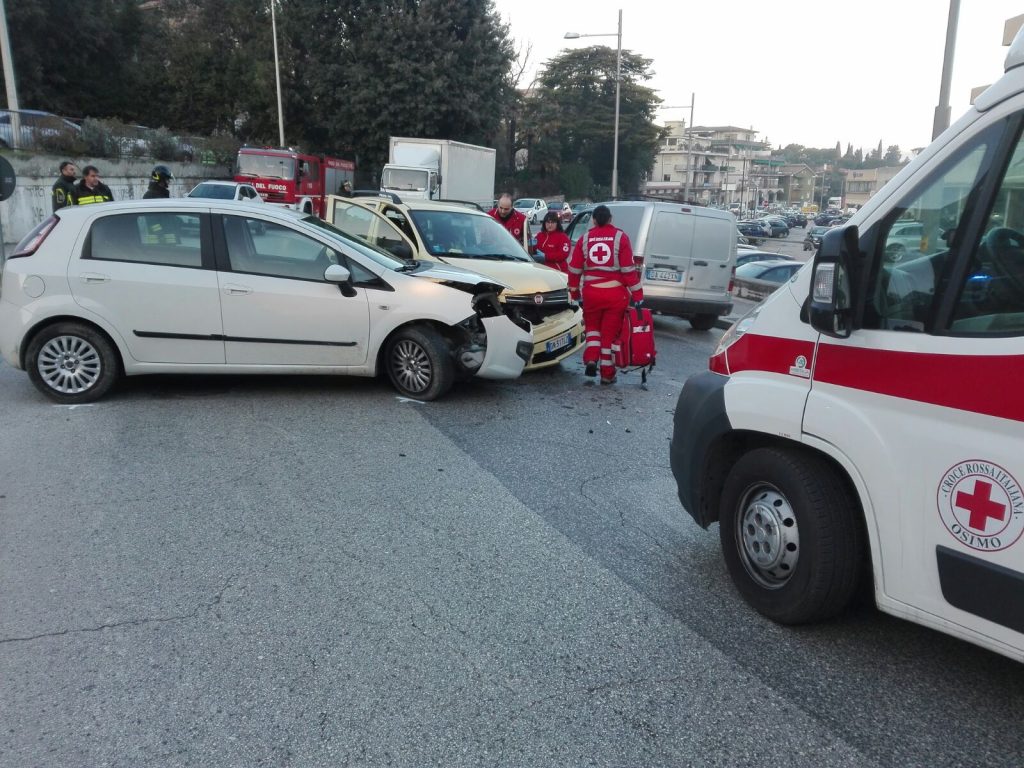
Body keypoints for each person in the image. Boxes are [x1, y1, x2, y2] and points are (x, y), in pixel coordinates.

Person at [567, 204, 643, 385]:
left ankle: (592, 359)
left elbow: (574, 269)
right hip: (615, 295)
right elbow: (628, 271)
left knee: (593, 329)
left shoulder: (584, 239)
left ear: (593, 220)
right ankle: (607, 374)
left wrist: (575, 293)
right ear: (610, 219)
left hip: (591, 294)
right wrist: (638, 296)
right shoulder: (620, 237)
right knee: (608, 334)